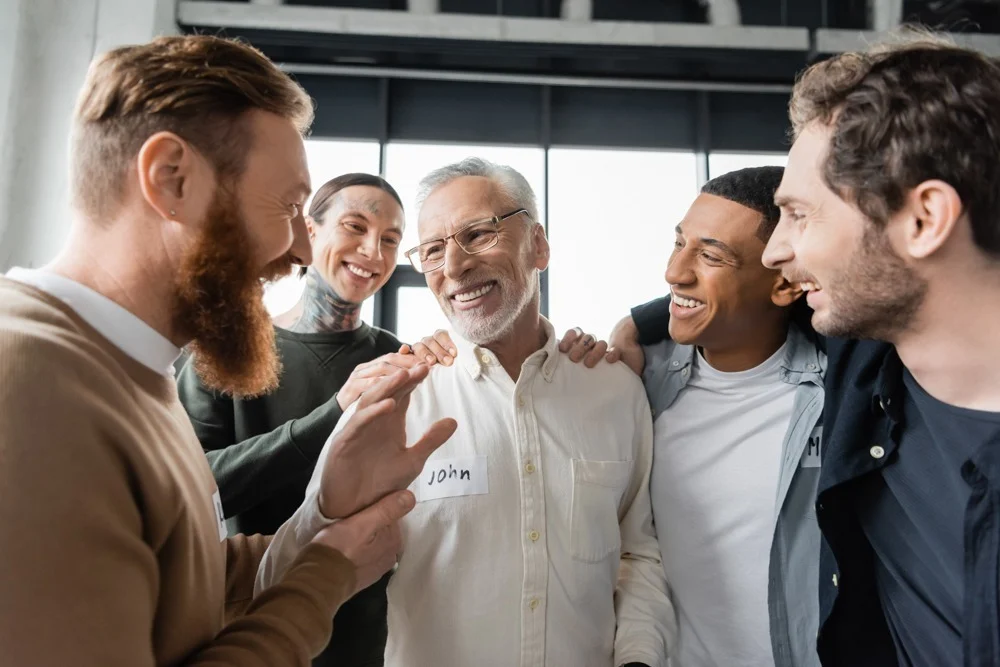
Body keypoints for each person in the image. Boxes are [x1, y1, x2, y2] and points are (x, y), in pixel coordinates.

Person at [0, 35, 453, 666]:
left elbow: (180, 570)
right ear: (172, 179)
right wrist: (322, 580)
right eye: (289, 206)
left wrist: (325, 527)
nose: (300, 249)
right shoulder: (29, 391)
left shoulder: (134, 375)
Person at [617, 34, 1000, 667]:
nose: (777, 252)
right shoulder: (867, 367)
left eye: (799, 214)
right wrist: (641, 321)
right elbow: (745, 297)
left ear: (924, 220)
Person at [257, 157, 673, 667]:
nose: (454, 267)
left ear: (538, 245)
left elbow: (637, 553)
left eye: (478, 234)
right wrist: (329, 507)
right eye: (433, 250)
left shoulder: (614, 391)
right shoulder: (394, 404)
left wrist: (638, 655)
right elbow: (274, 580)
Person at [177, 172, 421, 666]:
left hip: (365, 639)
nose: (373, 251)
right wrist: (334, 414)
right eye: (355, 227)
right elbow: (190, 491)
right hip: (248, 633)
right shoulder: (223, 352)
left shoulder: (397, 359)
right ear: (310, 231)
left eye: (390, 240)